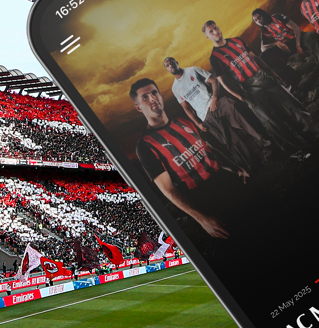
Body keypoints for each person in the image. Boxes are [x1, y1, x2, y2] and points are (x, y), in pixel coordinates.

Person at [130, 77, 249, 239]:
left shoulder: (183, 121)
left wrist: (235, 168)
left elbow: (208, 150)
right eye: (145, 97)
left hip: (227, 180)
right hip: (206, 201)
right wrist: (202, 219)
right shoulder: (145, 145)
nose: (152, 98)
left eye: (154, 92)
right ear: (138, 107)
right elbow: (169, 190)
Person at [202, 20, 318, 157]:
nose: (216, 32)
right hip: (249, 89)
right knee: (272, 122)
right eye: (211, 31)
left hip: (263, 77)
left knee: (291, 107)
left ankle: (314, 136)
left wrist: (271, 73)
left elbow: (254, 57)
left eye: (216, 28)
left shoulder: (236, 41)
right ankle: (297, 151)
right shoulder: (215, 57)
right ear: (208, 37)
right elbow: (223, 81)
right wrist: (239, 96)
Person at [163, 56, 266, 169]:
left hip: (215, 103)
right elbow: (186, 107)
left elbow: (214, 80)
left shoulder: (192, 70)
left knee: (232, 106)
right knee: (228, 139)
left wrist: (215, 99)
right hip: (205, 115)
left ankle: (262, 139)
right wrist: (198, 123)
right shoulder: (175, 88)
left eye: (172, 63)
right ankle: (252, 163)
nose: (171, 66)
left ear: (176, 62)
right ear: (167, 70)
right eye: (167, 65)